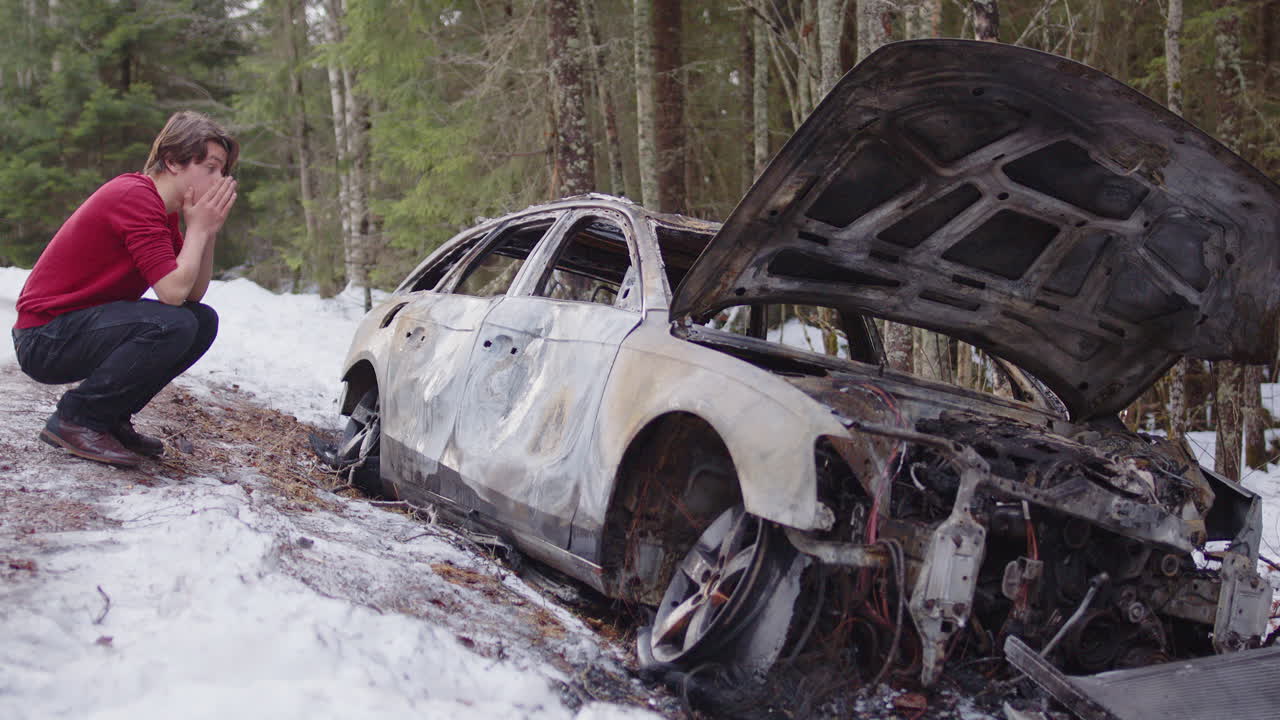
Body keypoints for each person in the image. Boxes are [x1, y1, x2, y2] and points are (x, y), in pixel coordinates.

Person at [11, 111, 239, 468]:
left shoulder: (164, 211)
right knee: (172, 323)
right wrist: (197, 230)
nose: (220, 179)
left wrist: (206, 232)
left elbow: (192, 295)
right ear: (172, 162)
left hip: (78, 329)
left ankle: (109, 417)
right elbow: (171, 293)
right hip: (44, 337)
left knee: (201, 320)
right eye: (210, 167)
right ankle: (77, 419)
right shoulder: (135, 197)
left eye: (223, 170)